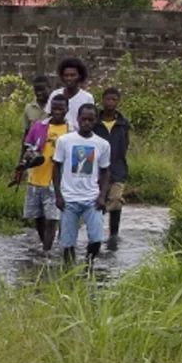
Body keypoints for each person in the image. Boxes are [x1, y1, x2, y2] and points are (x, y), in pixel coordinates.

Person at [53, 103, 111, 265]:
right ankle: (69, 272)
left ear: (95, 121)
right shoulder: (65, 141)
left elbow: (105, 171)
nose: (86, 123)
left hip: (91, 199)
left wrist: (102, 196)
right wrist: (58, 195)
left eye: (90, 120)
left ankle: (88, 265)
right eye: (83, 119)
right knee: (67, 242)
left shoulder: (102, 144)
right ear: (78, 119)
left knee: (97, 239)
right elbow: (56, 167)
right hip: (69, 199)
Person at [15, 96, 69, 252]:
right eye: (55, 108)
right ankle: (45, 245)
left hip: (56, 180)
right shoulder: (39, 126)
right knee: (38, 217)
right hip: (37, 176)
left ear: (67, 109)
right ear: (50, 109)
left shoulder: (70, 130)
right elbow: (28, 147)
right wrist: (26, 161)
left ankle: (46, 251)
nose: (58, 112)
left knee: (52, 218)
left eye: (61, 108)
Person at [93, 87, 130, 249]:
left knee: (115, 200)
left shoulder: (123, 123)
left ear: (118, 101)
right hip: (97, 169)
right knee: (99, 200)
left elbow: (125, 145)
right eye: (108, 99)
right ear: (102, 100)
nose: (111, 103)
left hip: (117, 167)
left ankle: (113, 234)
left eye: (114, 100)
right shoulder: (95, 122)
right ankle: (96, 233)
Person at [50, 57, 95, 131]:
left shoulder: (87, 98)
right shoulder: (55, 95)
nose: (69, 78)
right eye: (66, 75)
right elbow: (49, 117)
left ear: (79, 76)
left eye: (72, 75)